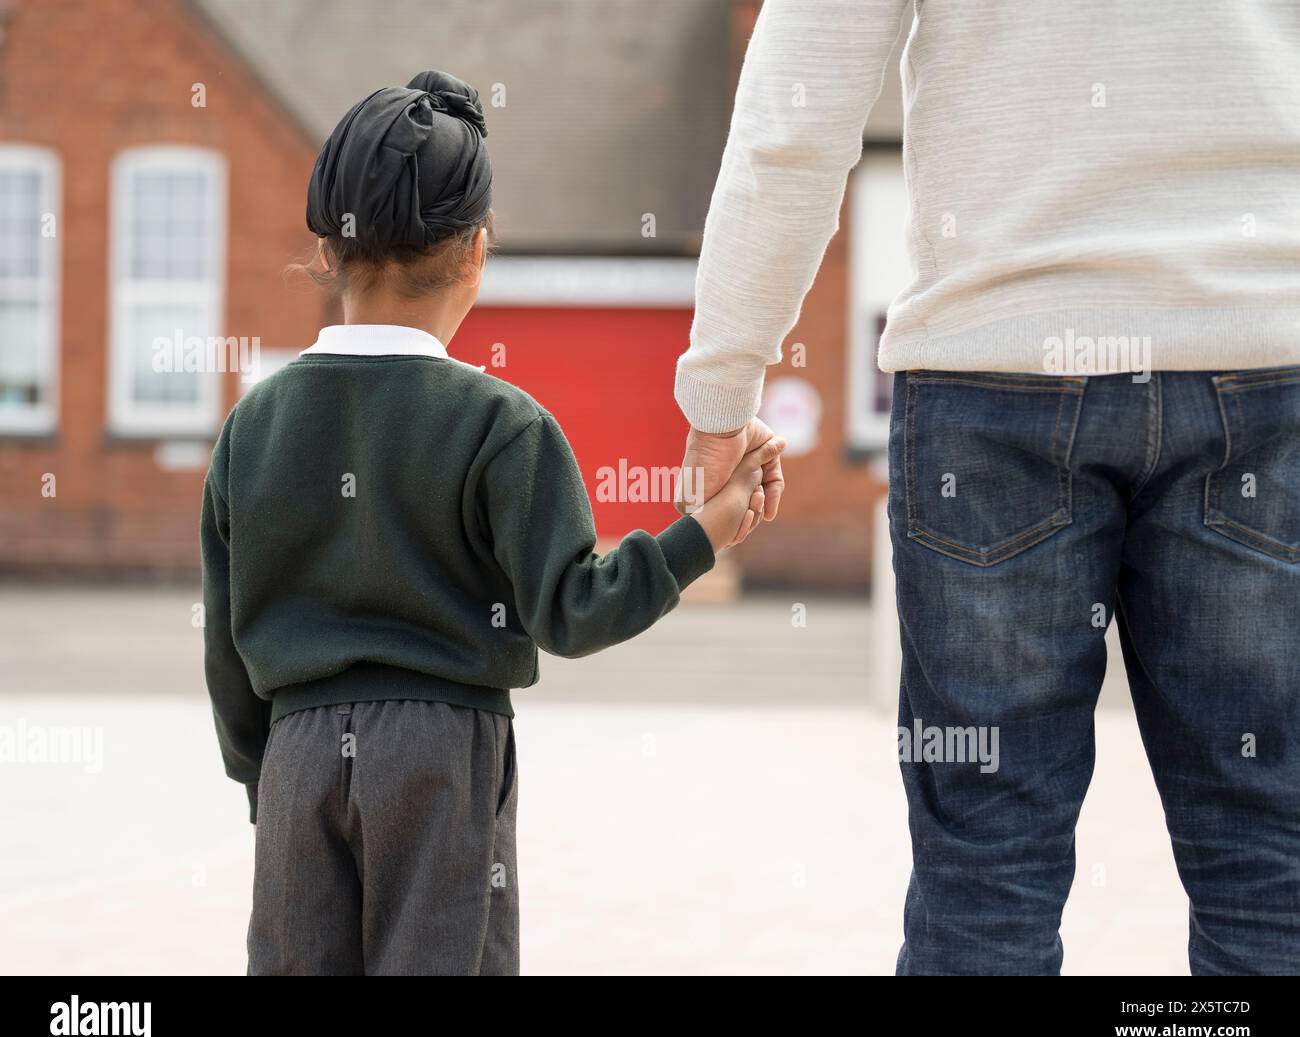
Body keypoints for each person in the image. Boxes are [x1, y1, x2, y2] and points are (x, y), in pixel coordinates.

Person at [676, 0, 1300, 975]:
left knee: (986, 859)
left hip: (999, 365)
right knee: (1270, 849)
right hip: (1261, 356)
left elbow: (798, 107)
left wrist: (722, 386)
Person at [201, 70, 785, 975]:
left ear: (327, 247)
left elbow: (228, 648)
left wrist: (267, 783)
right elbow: (575, 610)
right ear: (476, 251)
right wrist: (704, 529)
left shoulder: (252, 428)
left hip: (296, 750)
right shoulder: (501, 425)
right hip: (441, 755)